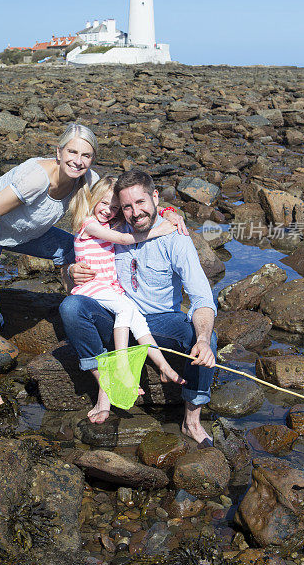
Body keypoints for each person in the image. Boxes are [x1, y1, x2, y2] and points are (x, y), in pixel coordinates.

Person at [61, 169, 217, 445]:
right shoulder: (114, 228)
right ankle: (107, 385)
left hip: (159, 323)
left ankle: (191, 421)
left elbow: (202, 297)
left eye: (141, 203)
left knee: (205, 338)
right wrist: (71, 269)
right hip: (116, 320)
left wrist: (203, 339)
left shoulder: (175, 236)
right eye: (127, 206)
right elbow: (78, 249)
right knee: (71, 306)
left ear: (155, 197)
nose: (135, 212)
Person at [0, 123, 100, 405]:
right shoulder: (36, 178)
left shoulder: (87, 179)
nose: (78, 160)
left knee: (70, 247)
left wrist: (166, 213)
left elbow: (120, 199)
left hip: (22, 233)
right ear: (58, 152)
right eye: (72, 151)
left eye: (86, 155)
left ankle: (75, 310)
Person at [70, 175, 185, 422]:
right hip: (93, 287)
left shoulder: (111, 221)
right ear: (92, 199)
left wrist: (168, 211)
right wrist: (160, 231)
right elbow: (124, 239)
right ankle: (121, 367)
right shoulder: (88, 223)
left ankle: (164, 366)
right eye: (103, 203)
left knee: (136, 318)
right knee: (124, 310)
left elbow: (144, 210)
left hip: (109, 288)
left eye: (113, 208)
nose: (108, 211)